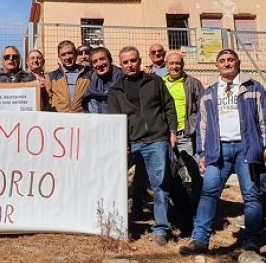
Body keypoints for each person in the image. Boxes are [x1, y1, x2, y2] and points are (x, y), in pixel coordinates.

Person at [180, 49, 266, 254]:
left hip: (247, 149)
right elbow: (202, 126)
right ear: (217, 66)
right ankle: (199, 240)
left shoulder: (254, 88)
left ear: (238, 63)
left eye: (230, 60)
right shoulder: (209, 93)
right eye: (222, 61)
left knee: (251, 195)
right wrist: (203, 153)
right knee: (208, 194)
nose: (226, 64)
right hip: (218, 150)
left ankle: (251, 241)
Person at [108, 46, 178, 246]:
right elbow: (115, 120)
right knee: (117, 184)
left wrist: (172, 132)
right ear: (120, 65)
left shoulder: (154, 81)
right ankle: (120, 226)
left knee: (160, 186)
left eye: (133, 60)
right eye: (126, 62)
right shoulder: (115, 91)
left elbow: (169, 106)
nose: (130, 65)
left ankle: (161, 230)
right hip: (131, 144)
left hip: (156, 140)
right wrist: (121, 144)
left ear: (139, 61)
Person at [162, 51, 205, 232]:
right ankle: (176, 213)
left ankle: (198, 212)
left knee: (195, 173)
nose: (175, 66)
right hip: (164, 135)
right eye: (171, 63)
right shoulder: (159, 83)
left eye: (178, 63)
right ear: (166, 65)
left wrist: (193, 127)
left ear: (183, 64)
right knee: (170, 174)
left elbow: (202, 108)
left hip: (186, 135)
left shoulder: (193, 83)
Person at [44, 40, 91, 112]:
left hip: (82, 118)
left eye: (70, 53)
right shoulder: (51, 77)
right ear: (59, 57)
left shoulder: (88, 73)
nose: (67, 57)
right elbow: (47, 101)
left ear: (75, 54)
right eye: (63, 54)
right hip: (60, 119)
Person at [82, 47, 123, 114]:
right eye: (95, 61)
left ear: (110, 60)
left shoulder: (123, 79)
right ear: (92, 66)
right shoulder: (91, 86)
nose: (99, 64)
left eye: (102, 59)